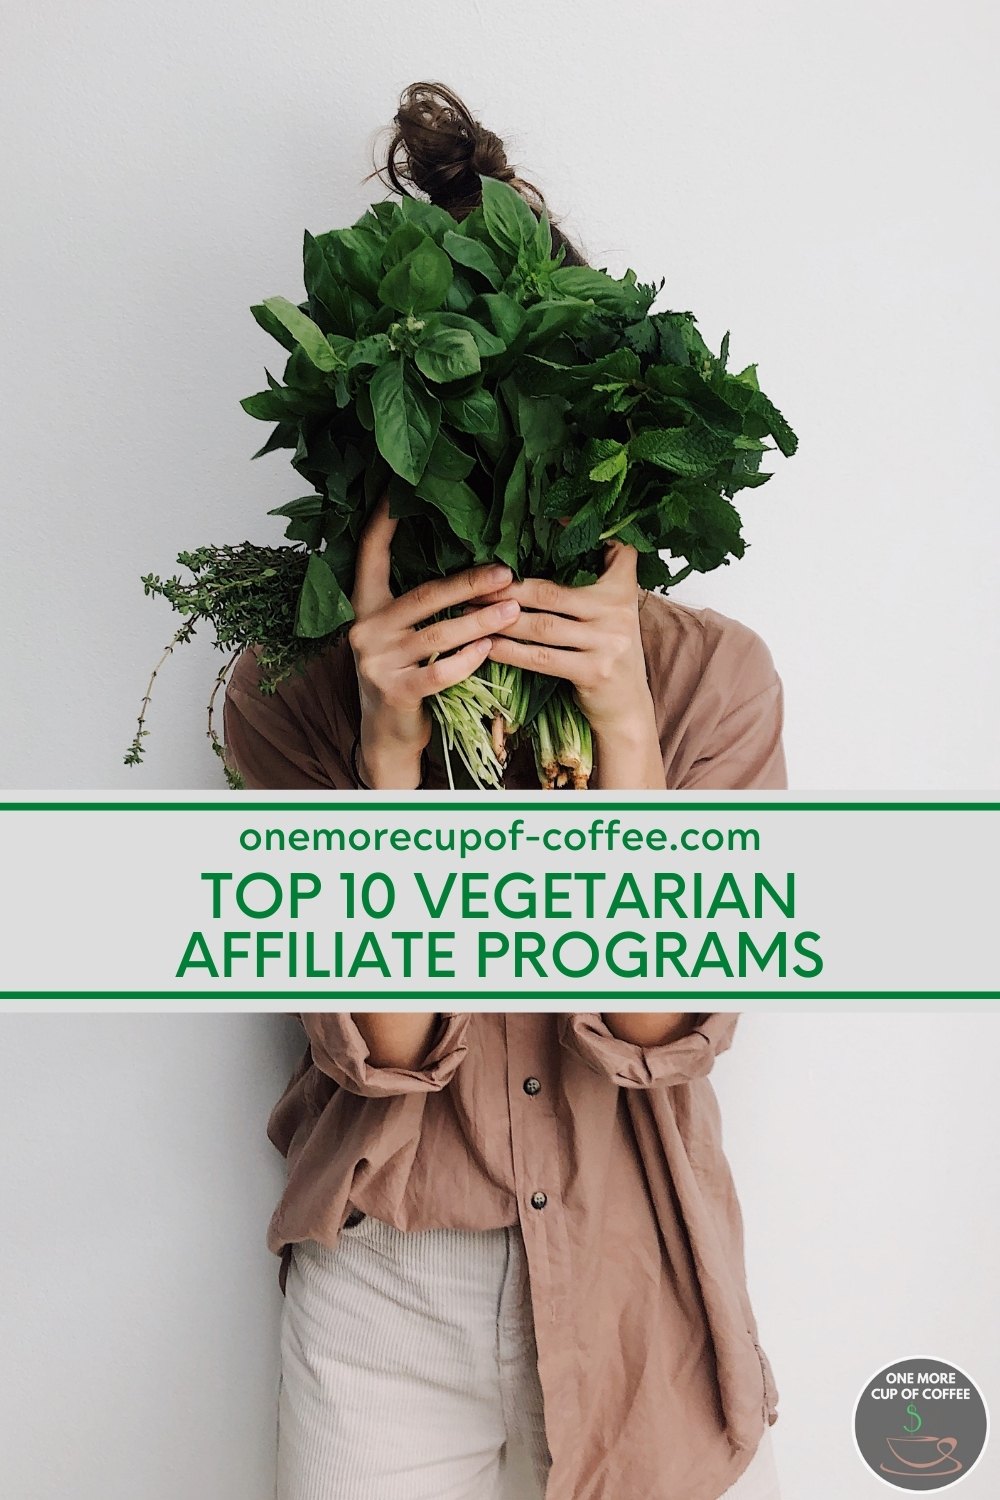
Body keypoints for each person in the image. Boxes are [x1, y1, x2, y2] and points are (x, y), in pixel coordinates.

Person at [223, 82, 786, 1500]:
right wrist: (393, 755)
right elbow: (385, 1050)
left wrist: (623, 729)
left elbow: (670, 1026)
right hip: (384, 1296)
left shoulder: (711, 678)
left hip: (629, 1278)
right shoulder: (287, 694)